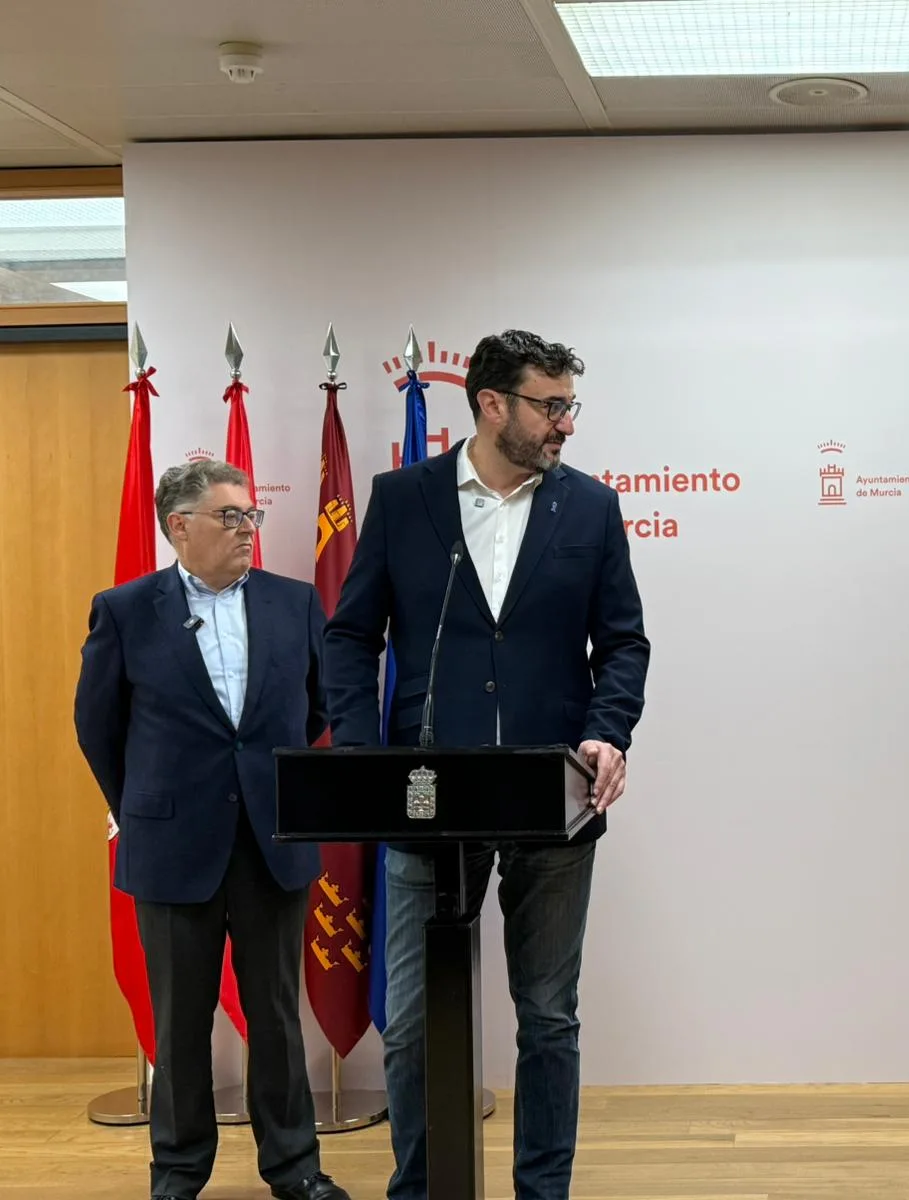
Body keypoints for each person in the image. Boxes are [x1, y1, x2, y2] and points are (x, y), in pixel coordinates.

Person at [322, 329, 650, 1200]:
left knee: (547, 1017)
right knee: (411, 1023)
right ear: (491, 404)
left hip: (555, 793)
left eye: (570, 405)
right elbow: (351, 637)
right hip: (424, 792)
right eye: (551, 405)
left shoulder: (591, 507)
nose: (566, 424)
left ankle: (542, 1192)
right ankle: (422, 1188)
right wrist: (359, 753)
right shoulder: (404, 499)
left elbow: (623, 642)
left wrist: (607, 732)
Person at [73, 459, 351, 1200]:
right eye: (231, 516)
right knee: (181, 1022)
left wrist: (259, 783)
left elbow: (318, 707)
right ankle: (177, 1172)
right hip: (171, 844)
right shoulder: (126, 610)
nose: (247, 529)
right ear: (179, 527)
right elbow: (98, 726)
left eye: (251, 514)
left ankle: (295, 1168)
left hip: (271, 841)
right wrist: (145, 805)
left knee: (277, 1016)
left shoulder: (294, 603)